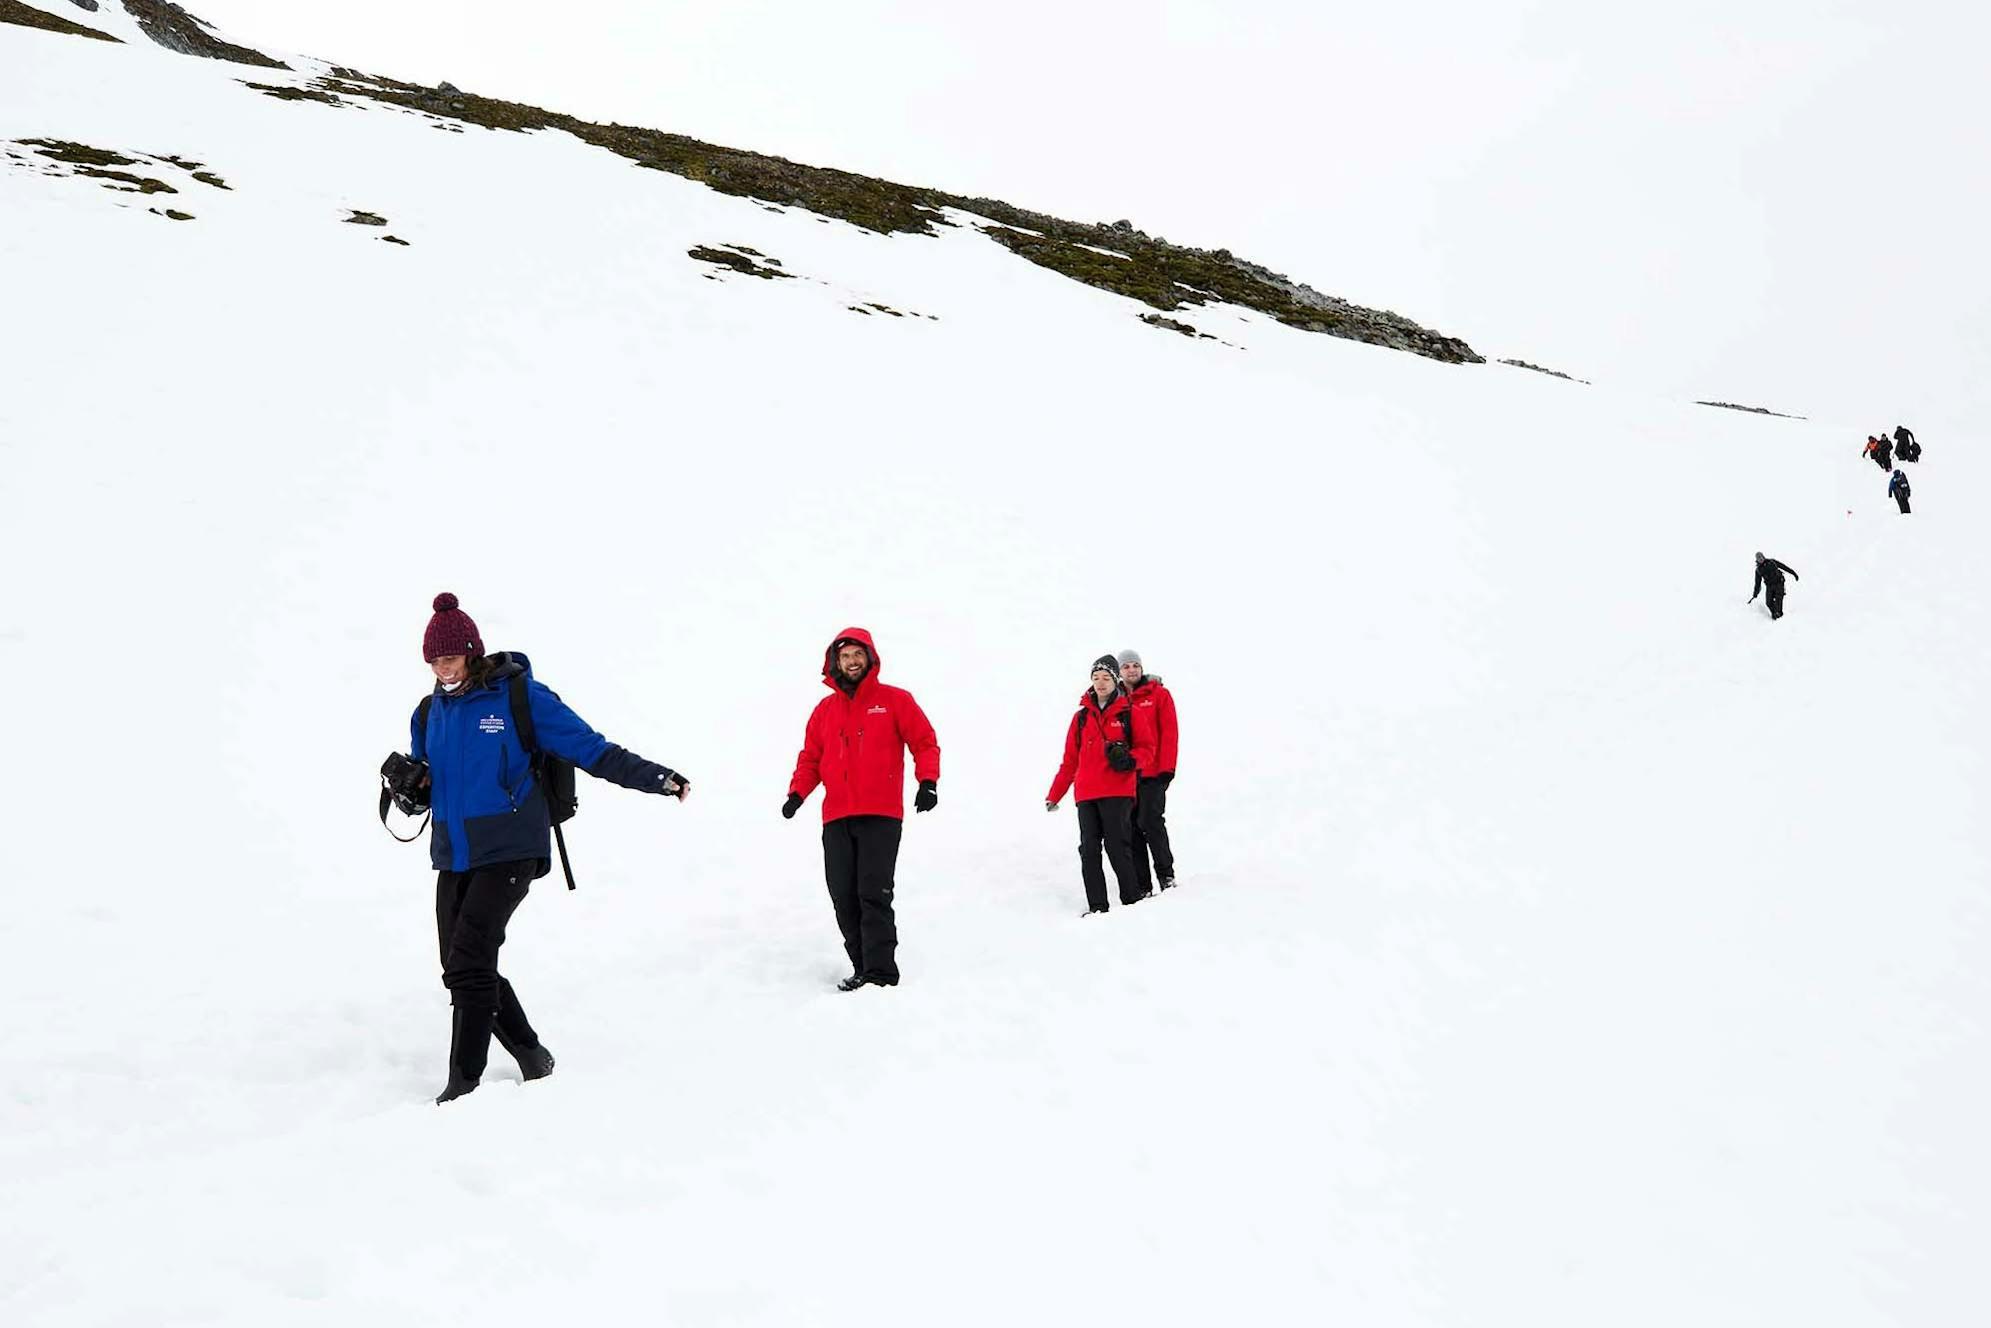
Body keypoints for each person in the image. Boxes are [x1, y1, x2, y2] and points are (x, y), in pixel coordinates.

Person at [404, 593, 689, 1104]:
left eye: (449, 656)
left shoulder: (520, 699)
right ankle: (533, 1056)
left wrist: (657, 778)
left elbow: (593, 749)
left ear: (472, 652)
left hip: (512, 845)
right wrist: (410, 790)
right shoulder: (429, 714)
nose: (441, 667)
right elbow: (427, 777)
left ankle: (463, 1084)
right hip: (454, 851)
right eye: (433, 659)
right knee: (461, 964)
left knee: (470, 961)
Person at [784, 628, 940, 992]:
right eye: (845, 657)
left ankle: (882, 974)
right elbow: (811, 757)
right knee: (843, 894)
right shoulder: (824, 710)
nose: (852, 662)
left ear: (870, 658)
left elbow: (924, 742)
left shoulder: (895, 700)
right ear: (835, 663)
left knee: (873, 892)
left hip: (881, 814)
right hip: (836, 816)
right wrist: (797, 793)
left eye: (857, 654)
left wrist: (927, 782)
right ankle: (862, 967)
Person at [1046, 656, 1152, 914]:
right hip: (1086, 794)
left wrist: (1129, 760)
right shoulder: (1080, 718)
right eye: (1095, 678)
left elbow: (1148, 750)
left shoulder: (1131, 714)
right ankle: (1097, 907)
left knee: (1117, 847)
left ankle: (1131, 902)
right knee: (1089, 850)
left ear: (1115, 680)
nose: (1100, 683)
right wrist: (1055, 794)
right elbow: (1069, 760)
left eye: (1105, 678)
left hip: (1117, 791)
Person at [1117, 650, 1179, 893]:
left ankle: (1166, 875)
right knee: (1130, 827)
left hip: (1153, 772)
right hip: (1127, 775)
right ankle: (1143, 884)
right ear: (1119, 672)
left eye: (1135, 665)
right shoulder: (1116, 700)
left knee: (1151, 821)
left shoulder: (1159, 694)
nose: (1132, 670)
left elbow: (1169, 733)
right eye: (1126, 667)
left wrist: (1167, 769)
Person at [1748, 552, 1800, 620]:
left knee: (1778, 599)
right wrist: (1755, 594)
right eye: (1758, 558)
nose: (1760, 559)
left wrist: (1793, 573)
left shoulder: (1772, 562)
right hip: (1769, 586)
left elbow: (1784, 567)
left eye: (1761, 557)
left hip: (1779, 583)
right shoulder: (1758, 570)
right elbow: (1757, 584)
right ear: (1757, 560)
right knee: (1768, 602)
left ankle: (1779, 615)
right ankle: (1774, 614)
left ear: (1763, 557)